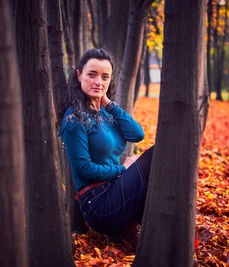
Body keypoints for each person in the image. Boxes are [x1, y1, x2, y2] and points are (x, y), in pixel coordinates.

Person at [58, 48, 154, 248]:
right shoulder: (74, 117)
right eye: (92, 75)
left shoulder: (107, 114)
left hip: (115, 190)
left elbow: (137, 134)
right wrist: (122, 170)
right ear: (79, 75)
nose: (98, 82)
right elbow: (84, 169)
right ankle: (154, 235)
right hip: (98, 203)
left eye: (105, 77)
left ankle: (149, 233)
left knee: (157, 160)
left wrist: (108, 103)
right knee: (156, 155)